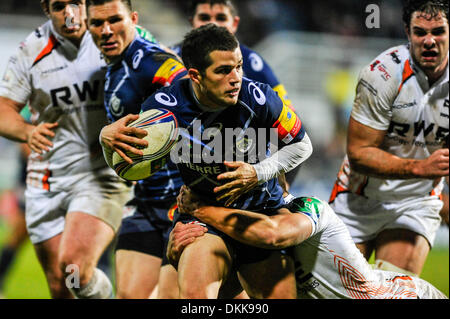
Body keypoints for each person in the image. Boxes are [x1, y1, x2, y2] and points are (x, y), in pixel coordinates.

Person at [105, 24, 313, 299]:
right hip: (204, 218)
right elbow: (131, 161)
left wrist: (258, 172)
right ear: (195, 75)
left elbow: (302, 145)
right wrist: (105, 137)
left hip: (262, 215)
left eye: (238, 66)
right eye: (223, 70)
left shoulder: (258, 98)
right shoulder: (166, 109)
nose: (236, 77)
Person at [0, 0, 133, 298]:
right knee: (61, 284)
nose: (71, 13)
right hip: (47, 180)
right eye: (60, 6)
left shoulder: (113, 36)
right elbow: (4, 109)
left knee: (74, 267)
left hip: (100, 176)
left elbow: (159, 71)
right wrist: (26, 131)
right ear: (46, 9)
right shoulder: (30, 52)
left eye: (77, 3)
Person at [328, 0, 449, 277]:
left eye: (439, 31)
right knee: (342, 292)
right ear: (407, 32)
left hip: (416, 203)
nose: (429, 41)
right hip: (359, 199)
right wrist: (419, 168)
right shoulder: (381, 75)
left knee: (394, 292)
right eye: (420, 32)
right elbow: (359, 154)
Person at [168, 186, 448, 299]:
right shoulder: (236, 236)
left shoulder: (307, 209)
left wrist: (199, 210)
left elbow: (273, 234)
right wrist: (179, 255)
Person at [86, 0, 187, 299]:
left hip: (181, 201)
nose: (106, 30)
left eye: (115, 20)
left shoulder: (148, 60)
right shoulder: (115, 65)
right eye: (97, 23)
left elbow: (191, 93)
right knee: (129, 295)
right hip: (145, 200)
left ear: (132, 18)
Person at [171, 0, 301, 189]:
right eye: (204, 17)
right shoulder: (169, 61)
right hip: (180, 173)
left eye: (221, 17)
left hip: (235, 169)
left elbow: (289, 123)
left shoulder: (253, 64)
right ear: (192, 21)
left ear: (234, 23)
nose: (213, 23)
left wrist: (282, 184)